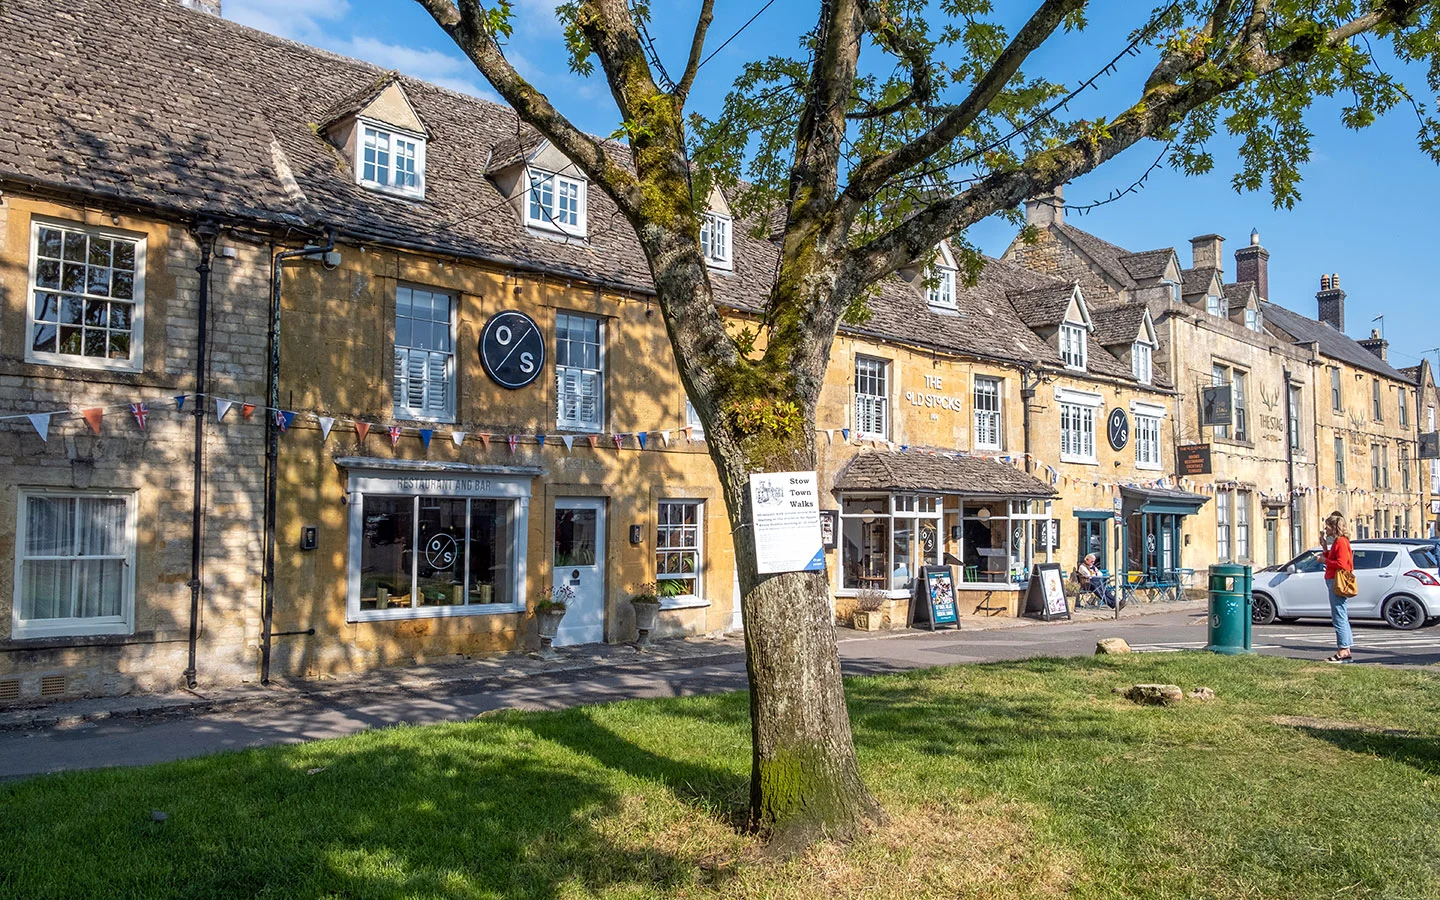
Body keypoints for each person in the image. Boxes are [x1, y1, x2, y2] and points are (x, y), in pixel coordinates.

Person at [1320, 510, 1355, 663]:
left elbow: (1341, 564)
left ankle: (1342, 651)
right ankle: (1346, 650)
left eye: (1327, 527)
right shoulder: (1340, 542)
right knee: (1341, 615)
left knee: (1338, 616)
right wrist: (1324, 548)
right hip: (1334, 579)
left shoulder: (1341, 541)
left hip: (1336, 580)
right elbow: (1334, 558)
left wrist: (1323, 560)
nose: (1325, 530)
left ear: (1334, 527)